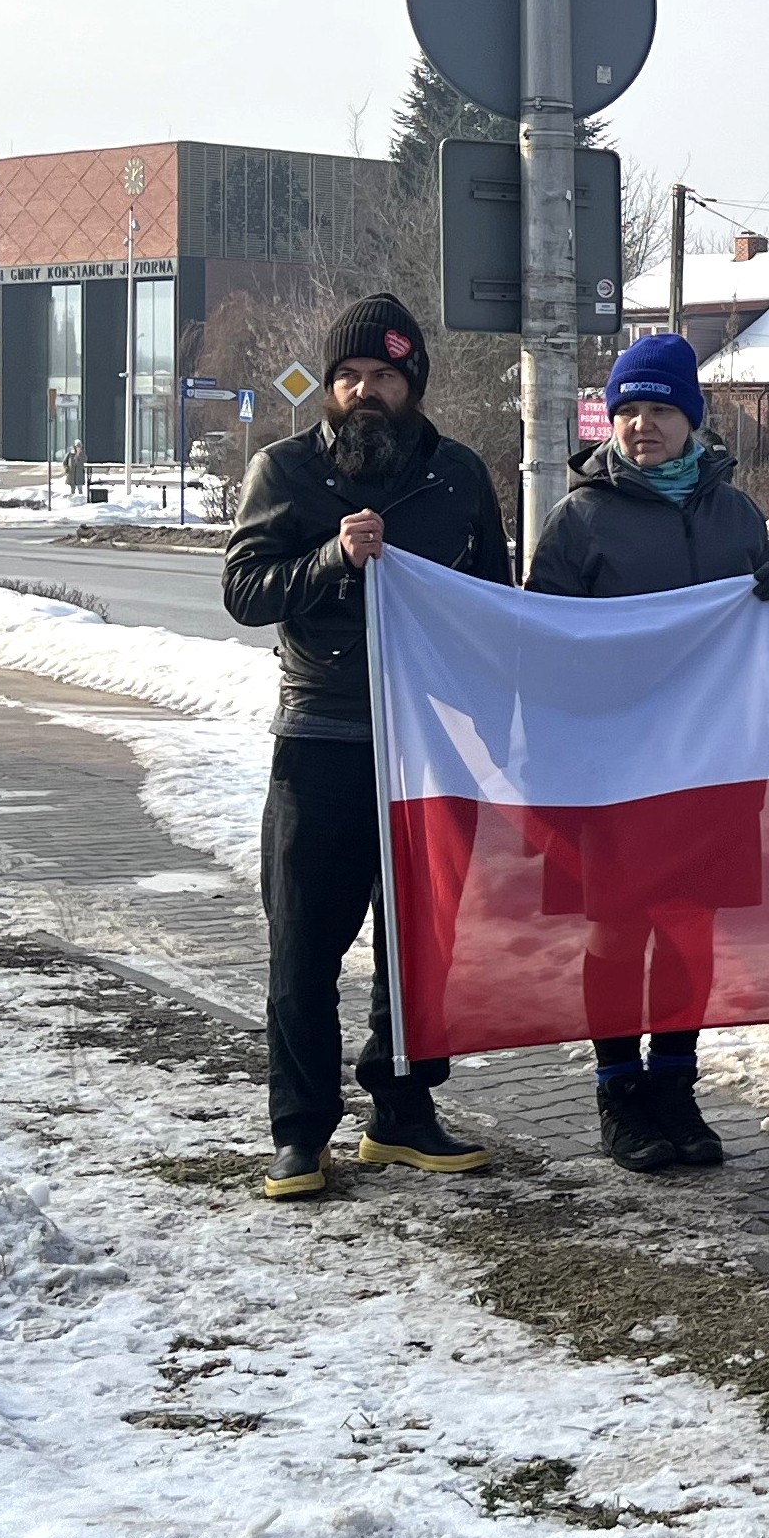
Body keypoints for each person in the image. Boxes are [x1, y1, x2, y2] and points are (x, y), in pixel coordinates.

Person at [221, 294, 512, 1199]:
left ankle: (403, 1112)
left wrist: (496, 735)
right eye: (348, 376)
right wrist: (331, 562)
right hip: (321, 737)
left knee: (419, 941)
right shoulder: (285, 471)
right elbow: (243, 590)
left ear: (412, 384)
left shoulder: (458, 476)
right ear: (329, 386)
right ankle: (300, 1133)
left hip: (428, 746)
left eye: (384, 376)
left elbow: (496, 608)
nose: (363, 391)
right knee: (303, 942)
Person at [527, 332, 769, 1173]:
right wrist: (558, 773)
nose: (642, 424)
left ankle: (677, 1087)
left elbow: (765, 640)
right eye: (628, 409)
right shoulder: (580, 519)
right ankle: (619, 1093)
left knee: (691, 931)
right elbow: (541, 648)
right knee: (618, 931)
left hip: (714, 766)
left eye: (659, 408)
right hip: (612, 770)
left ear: (692, 418)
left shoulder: (735, 512)